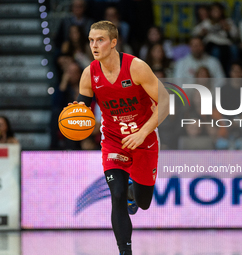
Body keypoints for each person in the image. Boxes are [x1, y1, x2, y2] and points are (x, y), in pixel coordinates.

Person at [68, 21, 169, 255]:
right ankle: (125, 252)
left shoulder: (136, 67)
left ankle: (136, 191)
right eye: (91, 40)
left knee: (143, 203)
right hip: (114, 141)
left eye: (100, 40)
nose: (94, 45)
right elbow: (82, 111)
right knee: (117, 195)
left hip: (144, 139)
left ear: (114, 42)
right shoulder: (89, 74)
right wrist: (75, 116)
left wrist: (142, 133)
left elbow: (165, 103)